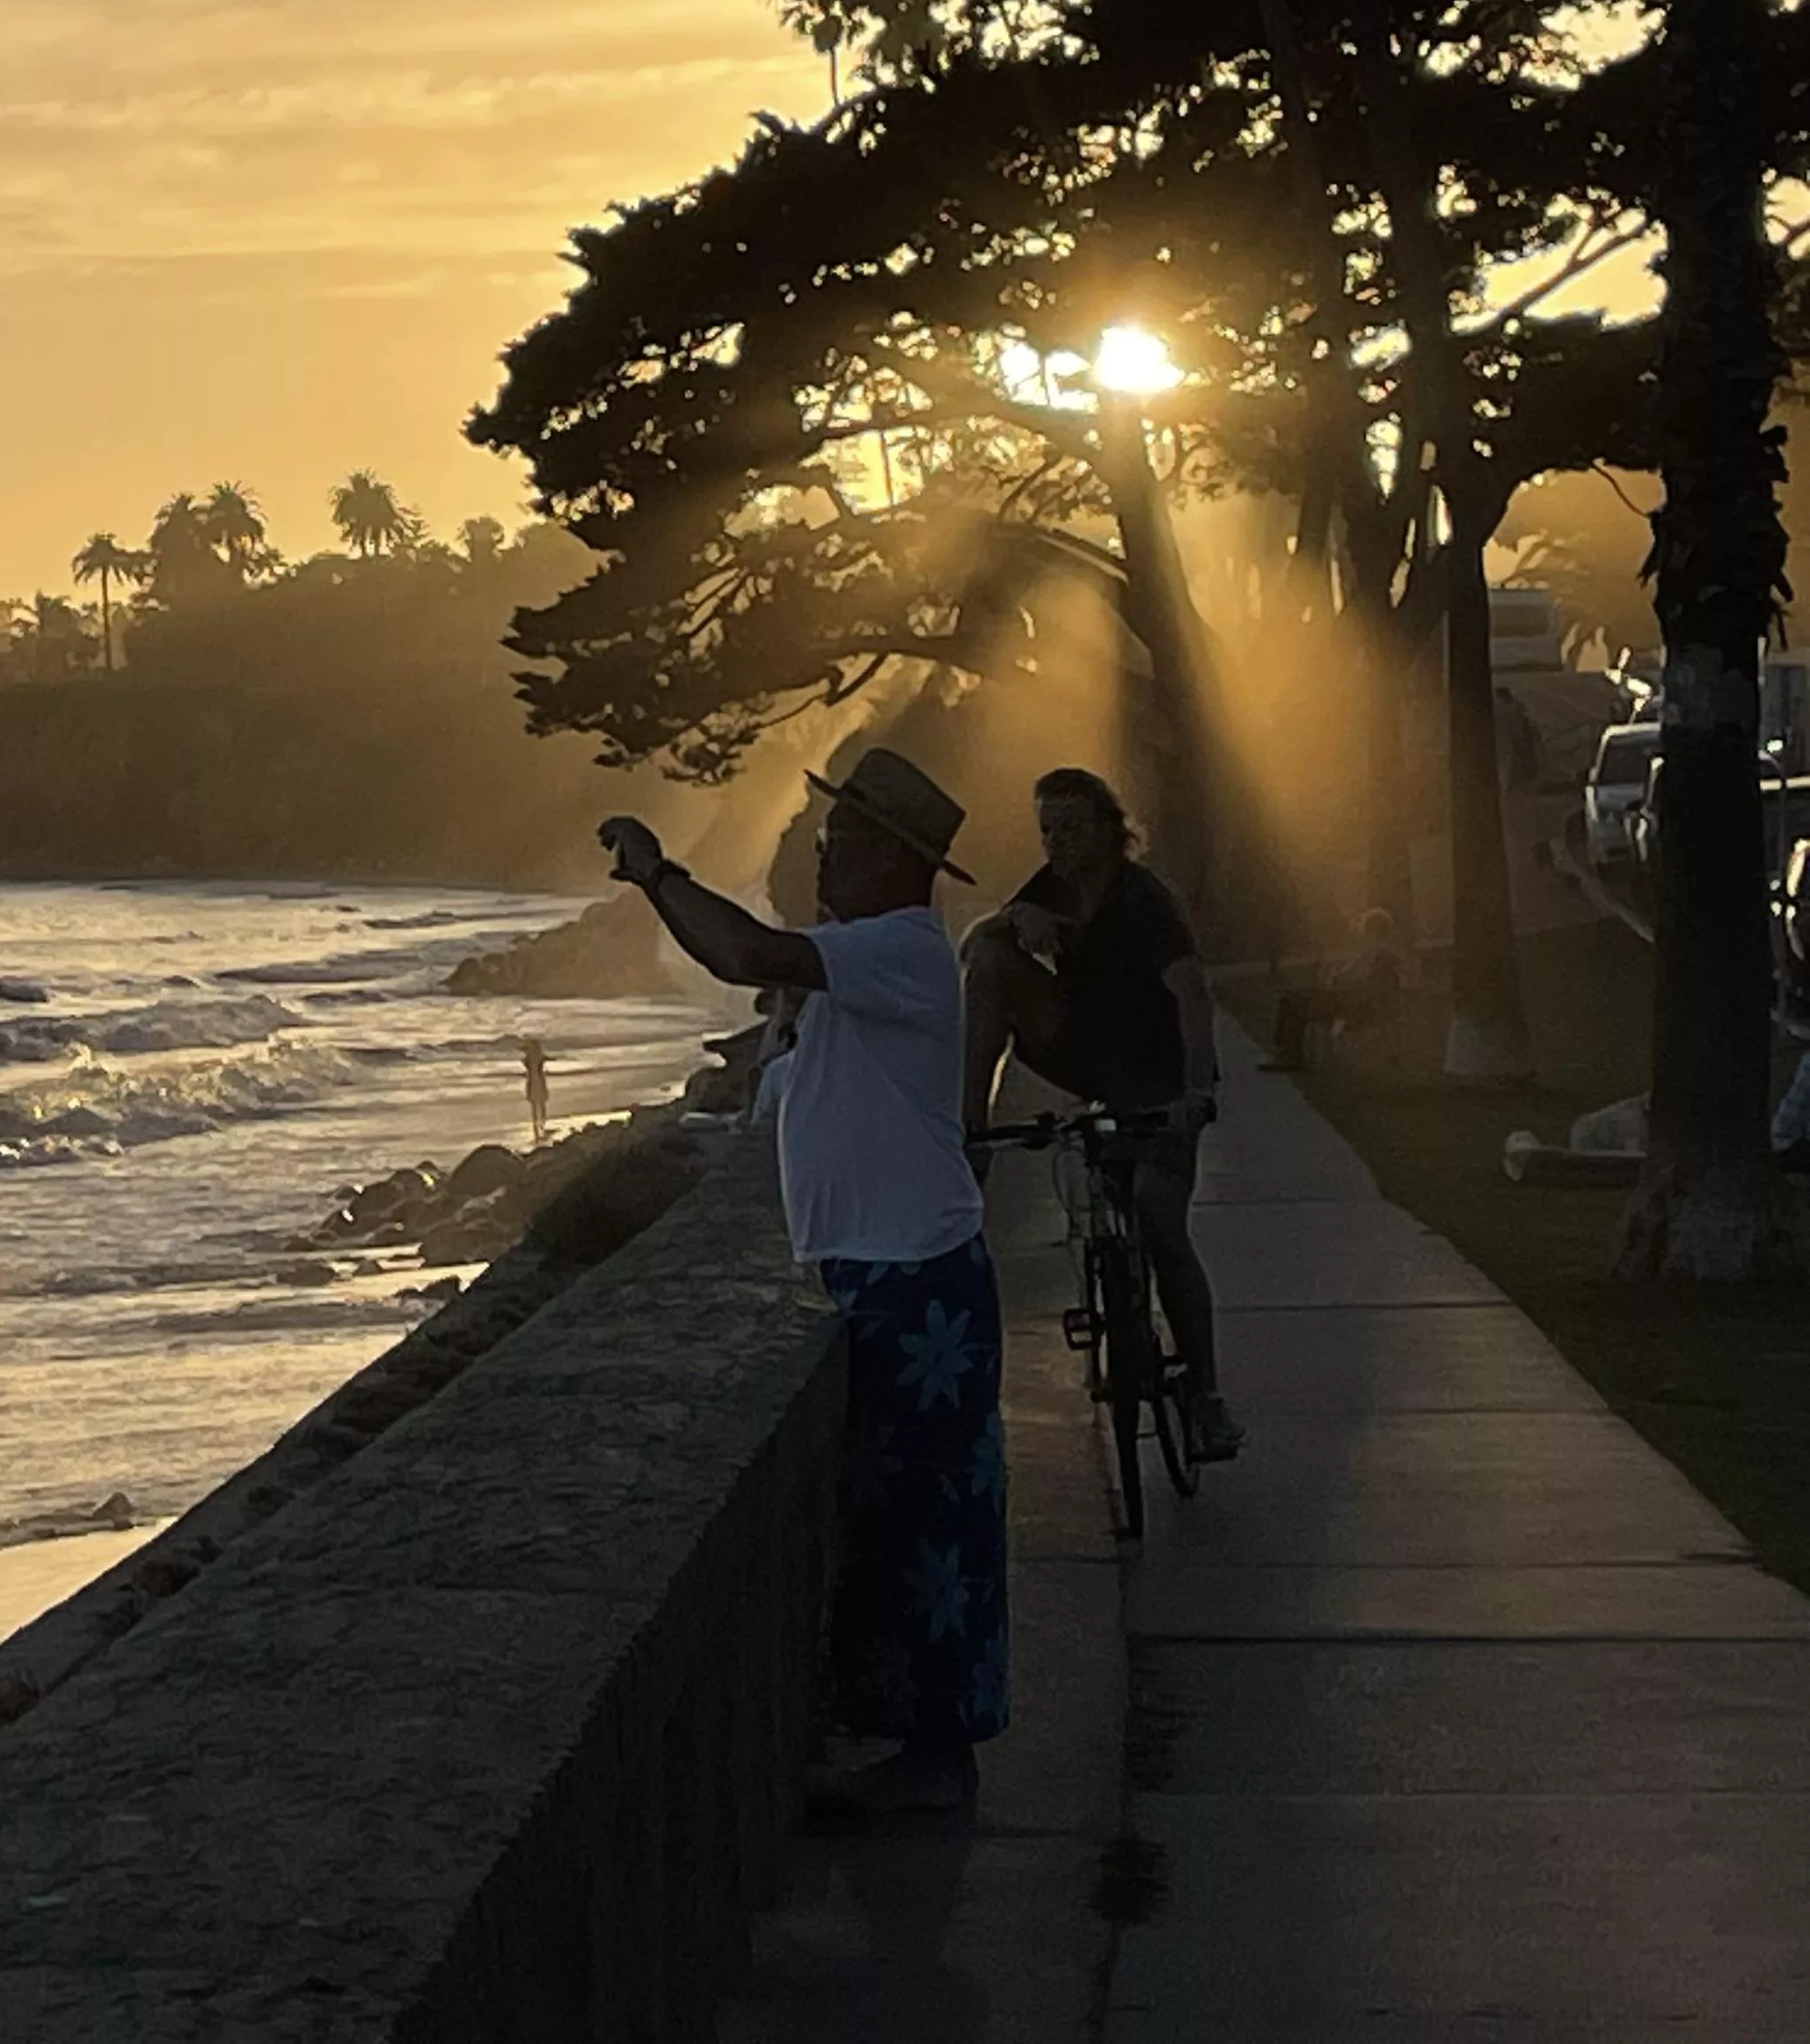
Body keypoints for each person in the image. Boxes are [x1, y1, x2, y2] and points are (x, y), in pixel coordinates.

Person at [600, 749, 1004, 1816]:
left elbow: (739, 950)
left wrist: (655, 873)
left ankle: (936, 1756)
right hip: (882, 1265)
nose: (825, 853)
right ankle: (908, 1744)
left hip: (914, 1275)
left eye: (841, 841)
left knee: (928, 1527)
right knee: (891, 1520)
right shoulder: (868, 952)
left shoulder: (902, 948)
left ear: (891, 859)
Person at [960, 768, 1242, 1462]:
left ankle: (1205, 1397)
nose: (1057, 842)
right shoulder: (1051, 888)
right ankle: (967, 1125)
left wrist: (1196, 1092)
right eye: (1048, 829)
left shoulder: (1142, 899)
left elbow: (1191, 994)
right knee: (995, 962)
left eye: (1072, 827)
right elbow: (973, 951)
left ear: (1110, 829)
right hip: (1091, 1060)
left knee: (1157, 1215)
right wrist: (1014, 920)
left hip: (1159, 1078)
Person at [1264, 909, 1406, 1073]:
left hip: (1346, 1005)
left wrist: (1336, 976)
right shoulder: (1390, 954)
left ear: (1370, 929)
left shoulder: (1373, 953)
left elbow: (1350, 977)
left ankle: (1289, 1054)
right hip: (1355, 1003)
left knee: (1292, 1001)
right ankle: (1285, 1052)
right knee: (1292, 998)